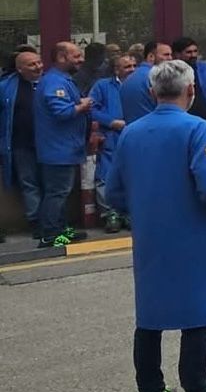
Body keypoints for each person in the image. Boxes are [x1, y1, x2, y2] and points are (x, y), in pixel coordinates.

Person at [107, 60, 206, 392]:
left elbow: (113, 192)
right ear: (191, 90)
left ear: (152, 92)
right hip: (193, 234)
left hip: (149, 237)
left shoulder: (131, 133)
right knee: (196, 313)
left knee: (149, 315)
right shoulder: (197, 129)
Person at [35, 42, 92, 248]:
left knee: (61, 191)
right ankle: (50, 234)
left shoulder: (62, 80)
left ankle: (60, 228)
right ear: (61, 57)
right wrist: (82, 106)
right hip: (58, 149)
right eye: (76, 56)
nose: (81, 60)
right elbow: (61, 112)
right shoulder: (54, 82)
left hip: (65, 147)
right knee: (57, 192)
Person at [1, 51, 45, 241]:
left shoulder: (50, 83)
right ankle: (36, 221)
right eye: (32, 64)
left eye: (39, 62)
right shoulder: (6, 87)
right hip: (20, 145)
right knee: (29, 184)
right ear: (19, 69)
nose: (38, 67)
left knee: (51, 184)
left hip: (48, 144)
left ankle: (53, 220)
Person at [89, 54, 136, 233]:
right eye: (127, 67)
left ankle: (129, 212)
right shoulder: (102, 86)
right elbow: (91, 109)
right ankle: (111, 214)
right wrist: (111, 122)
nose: (132, 70)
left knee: (131, 175)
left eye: (134, 66)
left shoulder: (141, 86)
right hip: (110, 137)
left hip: (133, 136)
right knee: (106, 177)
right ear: (116, 70)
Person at [119, 40, 173, 124]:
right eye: (166, 55)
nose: (170, 58)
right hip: (155, 127)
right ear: (151, 56)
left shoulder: (129, 78)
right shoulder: (157, 77)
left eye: (170, 54)